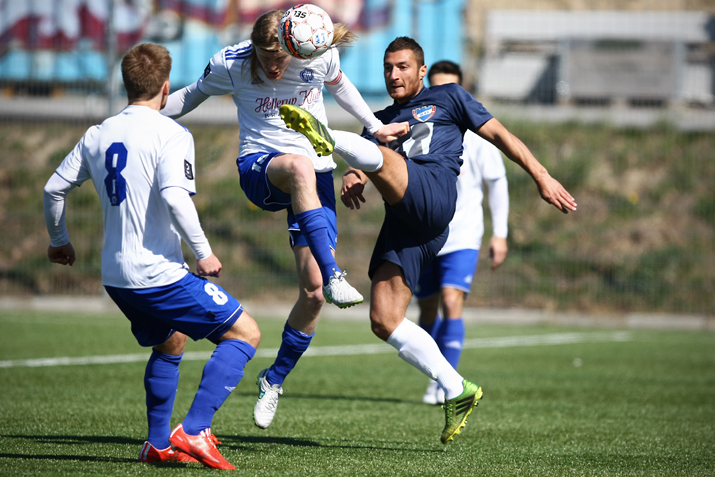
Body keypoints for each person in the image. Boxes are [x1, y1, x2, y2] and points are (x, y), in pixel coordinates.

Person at [279, 36, 577, 444]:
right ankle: (457, 389)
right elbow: (372, 152)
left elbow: (502, 136)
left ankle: (326, 134)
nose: (393, 74)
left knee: (385, 155)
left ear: (422, 70)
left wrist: (542, 176)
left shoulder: (450, 97)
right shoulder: (379, 119)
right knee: (384, 319)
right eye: (387, 67)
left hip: (434, 193)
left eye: (402, 66)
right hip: (408, 221)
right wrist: (353, 174)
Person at [160, 9, 403, 430]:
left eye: (281, 58)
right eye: (266, 56)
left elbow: (340, 87)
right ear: (253, 47)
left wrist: (373, 126)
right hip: (261, 168)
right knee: (298, 167)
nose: (274, 66)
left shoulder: (315, 54)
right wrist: (138, 116)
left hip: (314, 176)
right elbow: (190, 96)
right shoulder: (231, 63)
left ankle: (273, 380)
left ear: (295, 47)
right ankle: (335, 272)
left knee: (312, 295)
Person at [43, 43, 261, 470]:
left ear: (126, 85)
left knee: (171, 340)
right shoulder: (171, 132)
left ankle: (157, 444)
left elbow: (53, 188)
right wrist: (205, 253)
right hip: (157, 274)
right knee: (245, 334)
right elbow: (176, 199)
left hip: (115, 276)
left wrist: (59, 240)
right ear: (165, 88)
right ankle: (195, 430)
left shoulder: (97, 133)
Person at [415, 60, 510, 405]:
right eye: (438, 88)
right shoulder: (419, 127)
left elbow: (497, 184)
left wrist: (500, 233)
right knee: (426, 312)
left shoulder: (479, 135)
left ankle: (445, 384)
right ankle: (434, 373)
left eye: (452, 88)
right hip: (424, 236)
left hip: (464, 236)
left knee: (452, 302)